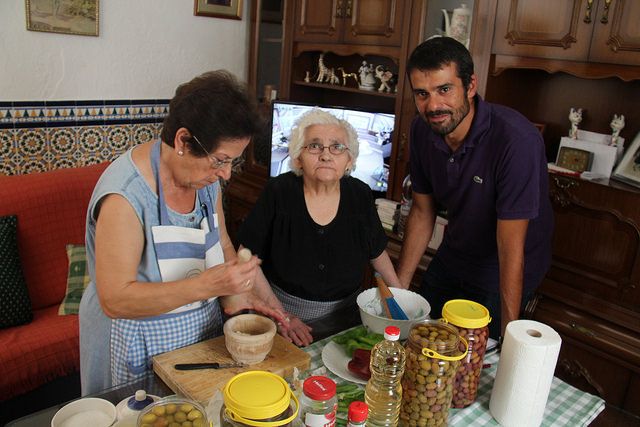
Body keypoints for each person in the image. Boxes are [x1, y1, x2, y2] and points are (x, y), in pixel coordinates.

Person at [79, 70, 285, 395]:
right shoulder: (126, 196)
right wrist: (207, 286)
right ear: (183, 141)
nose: (226, 174)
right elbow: (115, 299)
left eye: (233, 162)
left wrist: (239, 294)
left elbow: (222, 242)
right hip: (133, 342)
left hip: (195, 339)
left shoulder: (205, 180)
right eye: (220, 160)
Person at [396, 37, 554, 340]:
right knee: (418, 341)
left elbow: (510, 246)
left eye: (444, 90)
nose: (433, 105)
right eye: (421, 94)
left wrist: (512, 338)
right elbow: (422, 210)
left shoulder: (516, 140)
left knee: (478, 360)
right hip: (454, 254)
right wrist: (399, 290)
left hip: (502, 267)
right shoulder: (421, 129)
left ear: (470, 86)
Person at [237, 109, 404, 346]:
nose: (326, 155)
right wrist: (283, 316)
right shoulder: (279, 191)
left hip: (347, 319)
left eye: (337, 147)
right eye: (314, 146)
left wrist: (401, 298)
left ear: (350, 161)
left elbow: (376, 251)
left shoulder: (359, 194)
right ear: (297, 158)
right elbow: (246, 258)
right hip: (281, 316)